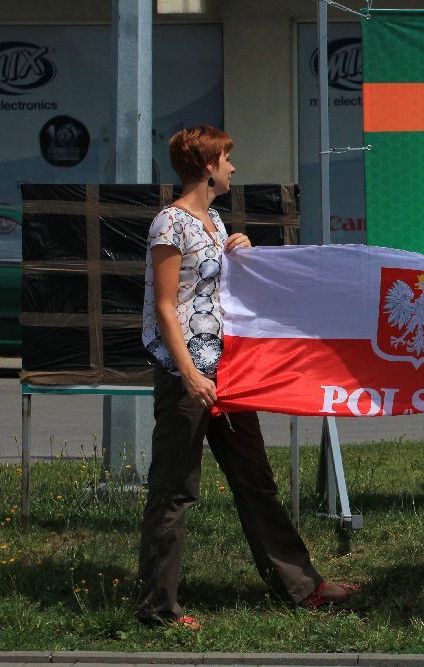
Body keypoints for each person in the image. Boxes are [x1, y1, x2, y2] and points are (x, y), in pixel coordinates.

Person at [137, 125, 357, 629]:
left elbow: (213, 289)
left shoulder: (212, 220)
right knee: (174, 490)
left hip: (227, 374)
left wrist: (238, 248)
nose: (233, 168)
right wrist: (190, 375)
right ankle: (157, 608)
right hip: (188, 377)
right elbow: (166, 308)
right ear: (207, 165)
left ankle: (303, 587)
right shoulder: (169, 224)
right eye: (227, 159)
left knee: (255, 480)